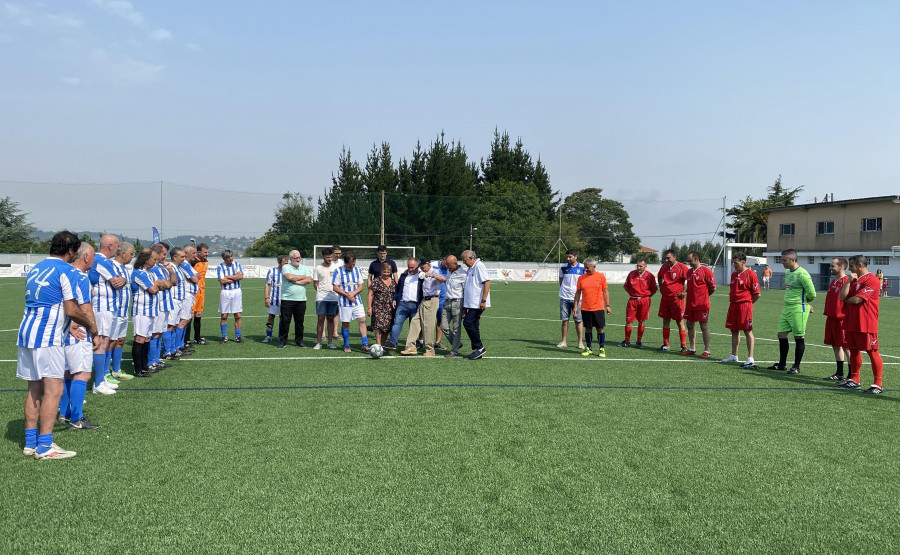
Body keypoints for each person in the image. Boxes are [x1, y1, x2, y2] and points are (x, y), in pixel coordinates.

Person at [17, 231, 97, 459]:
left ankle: (30, 443)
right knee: (54, 390)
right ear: (71, 251)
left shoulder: (36, 268)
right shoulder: (68, 271)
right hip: (47, 337)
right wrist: (91, 326)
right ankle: (45, 447)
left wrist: (68, 324)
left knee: (34, 389)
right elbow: (72, 309)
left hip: (27, 334)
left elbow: (46, 301)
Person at [59, 242, 106, 433]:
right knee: (83, 374)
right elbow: (85, 309)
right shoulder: (80, 277)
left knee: (68, 372)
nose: (93, 261)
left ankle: (64, 412)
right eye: (93, 257)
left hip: (62, 332)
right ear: (86, 257)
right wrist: (94, 332)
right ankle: (76, 418)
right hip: (79, 333)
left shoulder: (63, 273)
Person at [88, 234, 126, 393]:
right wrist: (121, 280)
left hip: (107, 307)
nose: (118, 249)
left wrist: (122, 280)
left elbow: (120, 280)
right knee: (101, 344)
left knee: (104, 342)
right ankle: (98, 383)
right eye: (117, 245)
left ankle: (101, 379)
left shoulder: (103, 261)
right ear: (110, 245)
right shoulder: (101, 260)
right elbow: (116, 282)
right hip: (102, 307)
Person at [839, 255, 884, 394]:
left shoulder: (872, 280)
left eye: (851, 266)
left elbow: (857, 300)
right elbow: (842, 297)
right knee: (853, 350)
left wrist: (848, 299)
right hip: (851, 321)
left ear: (859, 265)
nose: (849, 269)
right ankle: (855, 379)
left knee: (872, 351)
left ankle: (878, 384)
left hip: (866, 322)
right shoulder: (853, 280)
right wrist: (847, 282)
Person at [769, 249, 816, 375]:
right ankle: (782, 364)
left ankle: (796, 366)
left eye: (784, 260)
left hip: (798, 309)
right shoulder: (788, 272)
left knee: (799, 337)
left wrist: (805, 303)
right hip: (787, 308)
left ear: (793, 260)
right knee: (781, 335)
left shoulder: (803, 274)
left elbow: (812, 293)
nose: (782, 263)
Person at [721, 253, 760, 368]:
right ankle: (734, 355)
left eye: (736, 263)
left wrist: (749, 303)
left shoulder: (751, 274)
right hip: (733, 305)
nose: (734, 265)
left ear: (743, 262)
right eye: (733, 262)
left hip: (745, 306)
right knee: (734, 330)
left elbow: (757, 294)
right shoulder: (734, 274)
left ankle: (750, 358)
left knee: (747, 331)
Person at [403, 259, 447, 357]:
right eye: (421, 266)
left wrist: (431, 275)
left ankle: (430, 349)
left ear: (429, 264)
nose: (422, 268)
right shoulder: (422, 272)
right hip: (424, 300)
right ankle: (411, 346)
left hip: (432, 300)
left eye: (424, 266)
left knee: (428, 325)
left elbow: (444, 279)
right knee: (415, 321)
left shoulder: (435, 271)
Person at [131, 248, 161, 377]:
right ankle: (138, 368)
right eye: (154, 259)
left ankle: (144, 365)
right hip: (141, 310)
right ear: (146, 259)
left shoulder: (149, 273)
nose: (155, 261)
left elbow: (162, 284)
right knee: (140, 338)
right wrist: (156, 285)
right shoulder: (139, 273)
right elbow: (153, 289)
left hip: (150, 310)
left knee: (147, 339)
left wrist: (157, 285)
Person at [332, 252, 370, 353]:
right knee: (346, 324)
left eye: (354, 264)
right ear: (345, 262)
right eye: (350, 264)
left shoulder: (357, 270)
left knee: (362, 320)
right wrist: (347, 294)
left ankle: (365, 343)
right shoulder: (338, 271)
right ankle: (346, 344)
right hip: (344, 302)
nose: (352, 266)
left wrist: (353, 293)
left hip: (357, 301)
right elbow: (335, 287)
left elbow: (361, 286)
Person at [573, 258, 611, 357]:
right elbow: (578, 293)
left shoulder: (601, 277)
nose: (586, 269)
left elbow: (605, 291)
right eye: (585, 267)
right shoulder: (581, 278)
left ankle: (601, 348)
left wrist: (607, 305)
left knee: (600, 329)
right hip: (585, 308)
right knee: (588, 329)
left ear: (594, 267)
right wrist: (575, 307)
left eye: (588, 268)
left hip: (598, 308)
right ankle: (589, 348)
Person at [109, 242, 135, 380]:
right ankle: (106, 372)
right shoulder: (112, 266)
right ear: (123, 253)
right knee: (110, 342)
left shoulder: (125, 268)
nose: (132, 257)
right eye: (131, 254)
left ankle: (116, 370)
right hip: (115, 311)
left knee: (120, 340)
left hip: (124, 311)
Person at [822, 257, 851, 381]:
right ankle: (839, 373)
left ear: (841, 267)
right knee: (835, 345)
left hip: (842, 320)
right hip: (831, 318)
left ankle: (852, 374)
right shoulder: (834, 281)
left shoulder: (847, 281)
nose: (830, 268)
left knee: (846, 347)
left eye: (832, 266)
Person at [683, 252, 716, 358]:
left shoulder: (706, 271)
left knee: (703, 326)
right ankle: (692, 349)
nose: (689, 263)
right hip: (690, 304)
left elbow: (713, 287)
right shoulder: (689, 272)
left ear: (697, 259)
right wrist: (685, 293)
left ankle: (707, 350)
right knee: (690, 325)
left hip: (702, 304)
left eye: (690, 261)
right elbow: (691, 287)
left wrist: (705, 296)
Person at [619, 259, 657, 348]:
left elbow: (654, 290)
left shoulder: (650, 276)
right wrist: (633, 294)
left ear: (645, 266)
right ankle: (627, 341)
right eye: (637, 266)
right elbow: (626, 287)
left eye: (641, 266)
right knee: (629, 320)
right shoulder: (631, 274)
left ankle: (639, 341)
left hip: (644, 300)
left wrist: (645, 297)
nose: (639, 268)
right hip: (633, 300)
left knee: (641, 320)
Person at [657, 249, 689, 353]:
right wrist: (661, 287)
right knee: (665, 320)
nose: (666, 260)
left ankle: (683, 346)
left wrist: (685, 292)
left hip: (677, 299)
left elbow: (691, 279)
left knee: (679, 321)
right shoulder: (664, 267)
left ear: (674, 257)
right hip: (666, 298)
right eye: (665, 258)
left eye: (668, 258)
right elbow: (659, 276)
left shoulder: (682, 267)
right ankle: (666, 344)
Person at [149, 243, 176, 369]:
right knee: (155, 334)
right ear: (158, 254)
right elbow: (166, 284)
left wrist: (170, 270)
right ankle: (151, 361)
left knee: (159, 333)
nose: (166, 257)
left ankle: (156, 359)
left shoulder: (162, 267)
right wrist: (168, 282)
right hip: (159, 305)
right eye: (164, 254)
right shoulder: (153, 268)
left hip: (165, 304)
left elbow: (173, 282)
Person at [387, 258, 423, 350]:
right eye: (409, 267)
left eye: (412, 267)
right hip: (403, 304)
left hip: (415, 305)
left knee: (413, 327)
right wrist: (395, 299)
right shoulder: (403, 276)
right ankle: (392, 342)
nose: (410, 269)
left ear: (417, 266)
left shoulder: (421, 277)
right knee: (397, 323)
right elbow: (397, 289)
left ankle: (411, 345)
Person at [279, 250, 313, 348]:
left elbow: (309, 280)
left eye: (299, 257)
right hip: (287, 299)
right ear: (291, 259)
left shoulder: (305, 268)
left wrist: (297, 280)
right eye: (296, 258)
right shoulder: (286, 267)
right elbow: (290, 277)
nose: (298, 259)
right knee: (285, 321)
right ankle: (283, 340)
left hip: (301, 299)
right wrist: (302, 277)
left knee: (299, 322)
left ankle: (299, 340)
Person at [461, 250, 491, 360]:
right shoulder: (471, 268)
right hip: (471, 303)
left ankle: (479, 347)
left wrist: (483, 300)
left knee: (468, 323)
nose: (464, 263)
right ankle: (477, 350)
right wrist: (465, 306)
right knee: (474, 325)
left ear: (471, 258)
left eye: (465, 260)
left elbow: (487, 282)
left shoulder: (479, 266)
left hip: (477, 303)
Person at [440, 255, 468, 358]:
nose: (447, 266)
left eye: (449, 265)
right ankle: (456, 343)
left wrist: (465, 308)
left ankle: (454, 350)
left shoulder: (463, 274)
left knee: (456, 328)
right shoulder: (449, 271)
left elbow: (465, 292)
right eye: (446, 264)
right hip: (447, 302)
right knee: (443, 326)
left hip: (457, 302)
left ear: (455, 264)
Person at [557, 248, 585, 349]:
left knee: (578, 321)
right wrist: (564, 289)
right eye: (567, 257)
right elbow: (561, 280)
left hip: (578, 299)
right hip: (564, 297)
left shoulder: (582, 268)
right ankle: (564, 341)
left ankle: (580, 342)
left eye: (570, 257)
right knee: (565, 320)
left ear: (576, 257)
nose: (568, 258)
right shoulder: (563, 267)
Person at [313, 247, 339, 349]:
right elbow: (315, 283)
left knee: (331, 319)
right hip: (321, 298)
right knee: (320, 319)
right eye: (327, 257)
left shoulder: (336, 268)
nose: (330, 259)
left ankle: (330, 343)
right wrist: (320, 292)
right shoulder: (318, 268)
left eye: (331, 257)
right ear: (323, 256)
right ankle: (319, 343)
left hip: (334, 297)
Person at [176, 245, 200, 354]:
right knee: (183, 320)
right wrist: (196, 276)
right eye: (194, 253)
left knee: (186, 319)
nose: (195, 255)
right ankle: (178, 346)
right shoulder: (184, 265)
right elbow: (195, 278)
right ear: (187, 254)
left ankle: (181, 344)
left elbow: (197, 275)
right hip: (186, 295)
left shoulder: (188, 265)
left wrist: (196, 276)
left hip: (190, 295)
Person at [366, 262, 397, 346]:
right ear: (381, 271)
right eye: (384, 272)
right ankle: (378, 345)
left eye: (388, 272)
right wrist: (369, 308)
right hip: (378, 307)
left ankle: (382, 346)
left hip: (390, 309)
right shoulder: (376, 281)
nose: (386, 274)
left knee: (386, 328)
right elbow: (370, 294)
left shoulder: (394, 282)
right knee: (378, 326)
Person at [217, 250, 244, 344]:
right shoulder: (220, 267)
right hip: (225, 292)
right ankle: (224, 336)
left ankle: (238, 336)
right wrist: (234, 277)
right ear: (224, 258)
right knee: (224, 315)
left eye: (231, 256)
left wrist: (228, 276)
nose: (230, 259)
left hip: (236, 291)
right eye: (228, 257)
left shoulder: (237, 264)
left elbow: (240, 276)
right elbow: (222, 281)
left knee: (238, 315)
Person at [263, 255, 287, 343]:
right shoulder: (272, 271)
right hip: (274, 299)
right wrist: (266, 297)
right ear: (279, 263)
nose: (286, 265)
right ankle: (268, 336)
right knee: (271, 317)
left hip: (285, 299)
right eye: (284, 263)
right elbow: (267, 285)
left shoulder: (288, 271)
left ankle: (281, 336)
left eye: (287, 263)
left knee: (283, 318)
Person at [190, 243, 210, 345]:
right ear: (199, 252)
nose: (207, 254)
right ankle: (186, 340)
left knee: (198, 314)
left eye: (207, 252)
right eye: (205, 252)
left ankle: (197, 338)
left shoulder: (206, 262)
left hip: (202, 290)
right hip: (194, 291)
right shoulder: (192, 262)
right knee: (190, 315)